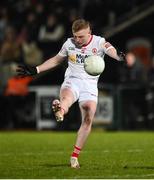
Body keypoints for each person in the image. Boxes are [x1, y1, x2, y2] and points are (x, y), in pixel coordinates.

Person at [17, 19, 125, 169]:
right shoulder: (69, 43)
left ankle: (74, 157)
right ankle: (60, 109)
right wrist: (36, 70)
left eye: (81, 37)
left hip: (90, 84)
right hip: (72, 79)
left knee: (88, 117)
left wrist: (119, 56)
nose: (77, 40)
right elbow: (56, 60)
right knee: (66, 99)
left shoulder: (99, 42)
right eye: (75, 36)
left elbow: (111, 50)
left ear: (89, 33)